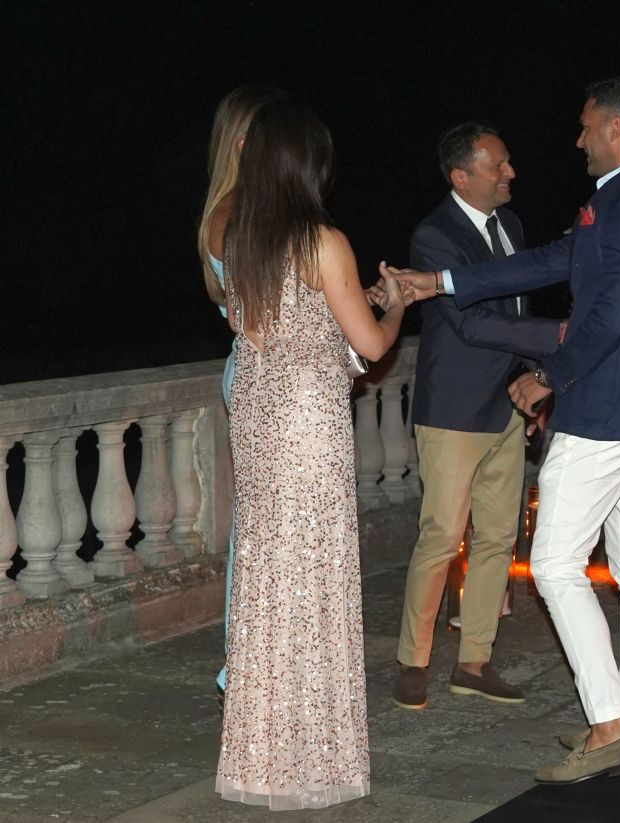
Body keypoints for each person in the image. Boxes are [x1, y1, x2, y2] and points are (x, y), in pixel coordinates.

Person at [389, 77, 620, 784]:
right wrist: (442, 283)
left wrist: (551, 375)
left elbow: (610, 315)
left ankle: (608, 723)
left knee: (554, 563)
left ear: (616, 129)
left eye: (586, 127)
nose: (578, 140)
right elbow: (555, 261)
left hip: (609, 411)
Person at [216, 98, 409, 809]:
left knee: (268, 577)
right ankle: (313, 755)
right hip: (305, 423)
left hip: (257, 417)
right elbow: (372, 345)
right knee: (315, 576)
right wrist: (394, 302)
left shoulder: (240, 239)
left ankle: (260, 756)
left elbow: (277, 327)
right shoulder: (323, 240)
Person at [390, 123, 564, 711]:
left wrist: (535, 379)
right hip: (454, 409)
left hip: (508, 403)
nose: (510, 173)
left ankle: (475, 661)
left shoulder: (511, 226)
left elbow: (514, 307)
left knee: (497, 536)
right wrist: (558, 337)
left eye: (508, 162)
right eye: (498, 165)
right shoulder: (434, 235)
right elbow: (470, 323)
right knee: (441, 535)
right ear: (461, 176)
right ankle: (413, 661)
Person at [197, 85, 288, 708]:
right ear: (244, 142)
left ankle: (262, 662)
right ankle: (246, 668)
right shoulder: (232, 214)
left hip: (270, 377)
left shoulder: (250, 211)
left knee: (272, 526)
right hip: (262, 381)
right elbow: (256, 312)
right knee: (262, 529)